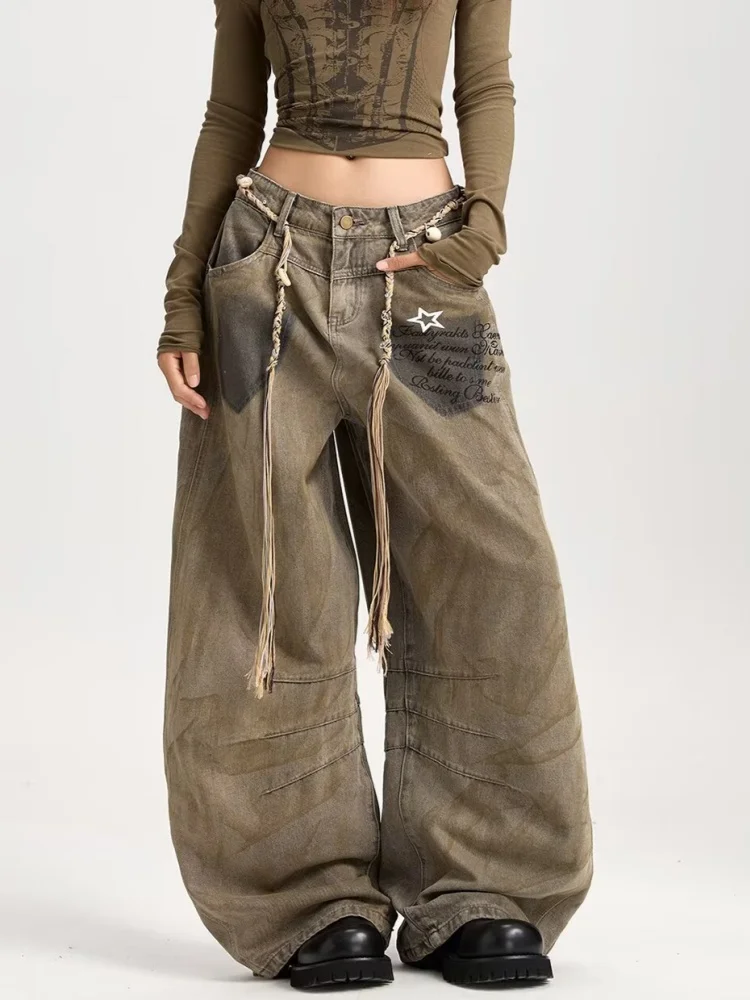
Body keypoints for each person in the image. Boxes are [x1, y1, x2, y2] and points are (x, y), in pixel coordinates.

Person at [156, 0, 593, 990]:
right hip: (264, 262)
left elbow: (485, 83)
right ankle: (305, 895)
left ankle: (482, 884)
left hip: (425, 269)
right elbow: (233, 109)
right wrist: (184, 288)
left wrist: (485, 225)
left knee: (496, 564)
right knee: (267, 577)